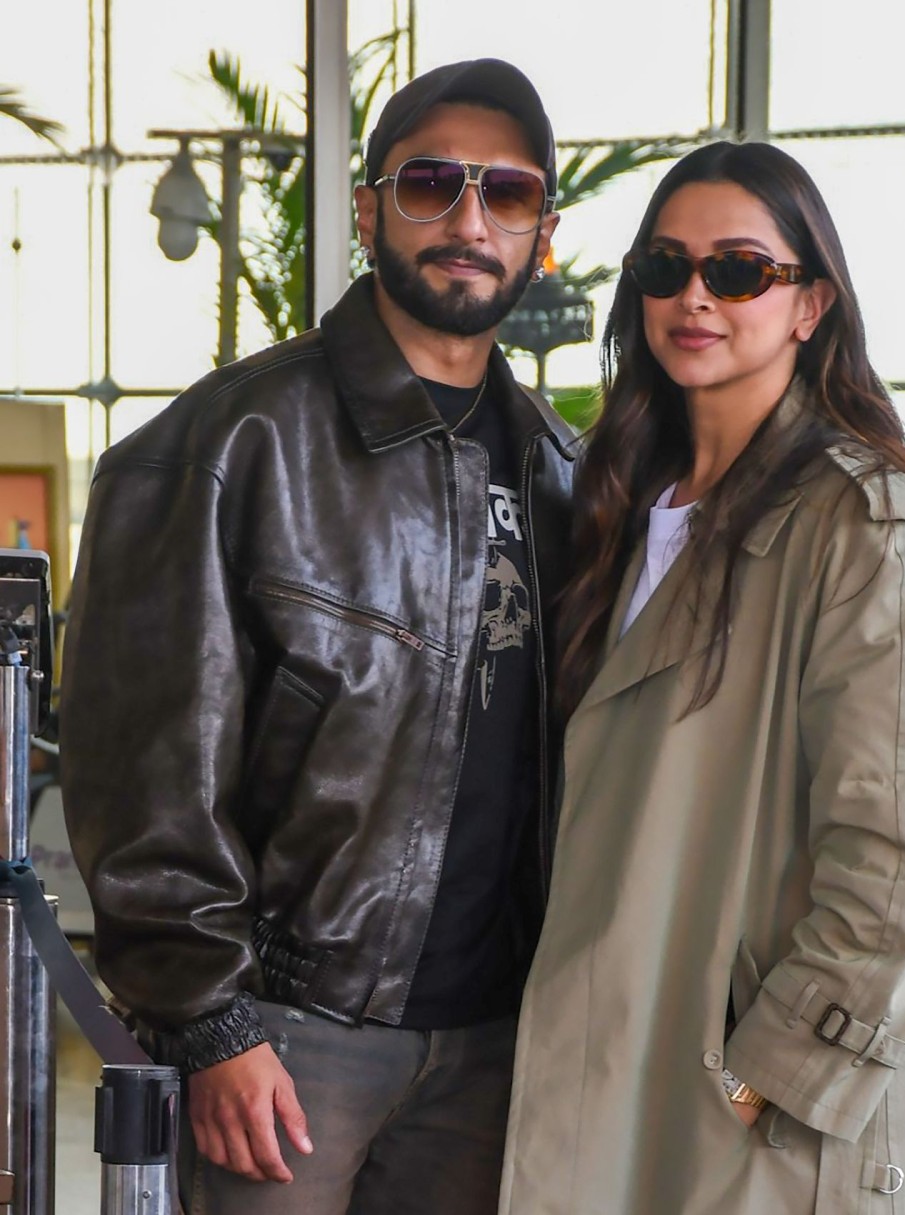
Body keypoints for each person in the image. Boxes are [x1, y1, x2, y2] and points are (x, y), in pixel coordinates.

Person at [59, 57, 574, 1215]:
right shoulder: (232, 442)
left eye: (506, 192)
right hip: (292, 1036)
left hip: (496, 1044)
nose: (469, 221)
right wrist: (210, 1021)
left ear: (543, 233)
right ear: (369, 210)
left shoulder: (561, 473)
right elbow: (142, 765)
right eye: (431, 183)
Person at [498, 140, 905, 1215]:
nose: (695, 297)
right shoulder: (618, 508)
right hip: (633, 1068)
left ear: (811, 303)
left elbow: (897, 850)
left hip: (761, 1109)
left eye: (738, 270)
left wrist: (777, 1070)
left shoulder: (861, 520)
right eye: (665, 267)